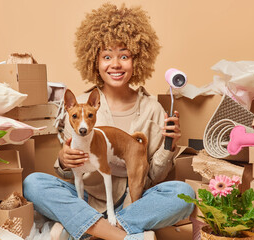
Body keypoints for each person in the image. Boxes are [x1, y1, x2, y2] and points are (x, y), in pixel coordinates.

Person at [23, 3, 195, 240]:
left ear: (138, 59)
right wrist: (63, 161)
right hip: (85, 198)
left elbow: (154, 177)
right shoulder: (80, 104)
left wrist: (169, 145)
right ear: (95, 61)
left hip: (131, 203)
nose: (115, 64)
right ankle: (121, 235)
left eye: (124, 56)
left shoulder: (153, 109)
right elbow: (65, 173)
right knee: (33, 183)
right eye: (107, 56)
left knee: (182, 193)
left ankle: (90, 231)